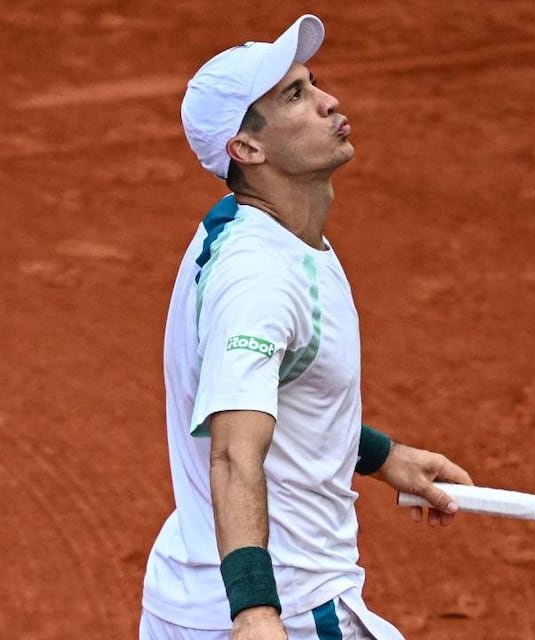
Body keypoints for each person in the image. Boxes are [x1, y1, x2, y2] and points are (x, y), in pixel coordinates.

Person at [140, 14, 473, 640]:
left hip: (193, 591)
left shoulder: (259, 227)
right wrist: (257, 613)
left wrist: (382, 456)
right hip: (286, 602)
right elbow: (235, 451)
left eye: (312, 83)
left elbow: (280, 395)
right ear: (247, 149)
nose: (328, 102)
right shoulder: (259, 280)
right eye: (295, 96)